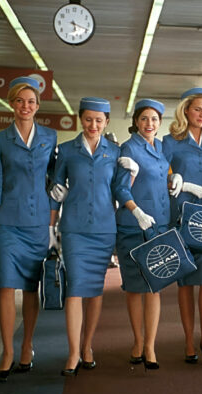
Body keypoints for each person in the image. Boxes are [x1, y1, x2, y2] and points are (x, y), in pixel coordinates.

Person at [0, 76, 57, 382]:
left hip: (38, 221)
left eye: (31, 102)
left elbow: (55, 178)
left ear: (37, 106)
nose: (26, 106)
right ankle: (7, 352)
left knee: (30, 287)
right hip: (6, 223)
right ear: (11, 104)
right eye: (20, 101)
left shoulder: (50, 137)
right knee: (6, 287)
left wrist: (55, 211)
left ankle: (27, 345)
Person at [50, 97, 131, 376]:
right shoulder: (66, 150)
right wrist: (51, 227)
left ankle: (87, 346)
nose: (93, 125)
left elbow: (120, 191)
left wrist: (133, 174)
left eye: (99, 120)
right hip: (73, 228)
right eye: (88, 119)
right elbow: (56, 190)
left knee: (95, 291)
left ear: (107, 122)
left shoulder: (116, 152)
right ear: (80, 119)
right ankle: (73, 353)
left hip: (104, 228)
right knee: (75, 288)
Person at [162, 88, 202, 364]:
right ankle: (189, 339)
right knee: (186, 278)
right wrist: (175, 179)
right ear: (186, 110)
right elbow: (159, 171)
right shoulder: (170, 141)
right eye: (197, 109)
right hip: (181, 214)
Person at [115, 99, 172, 370]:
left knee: (155, 286)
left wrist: (176, 180)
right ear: (136, 122)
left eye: (154, 119)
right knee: (135, 287)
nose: (150, 124)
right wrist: (136, 211)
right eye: (145, 119)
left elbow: (163, 178)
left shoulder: (161, 147)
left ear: (160, 123)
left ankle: (150, 345)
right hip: (134, 224)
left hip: (159, 224)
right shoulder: (129, 148)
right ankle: (138, 342)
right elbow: (120, 187)